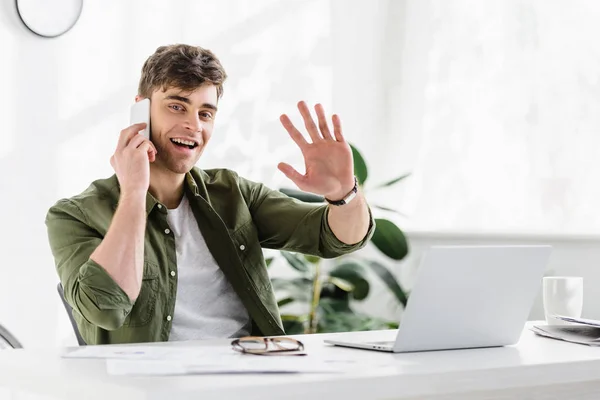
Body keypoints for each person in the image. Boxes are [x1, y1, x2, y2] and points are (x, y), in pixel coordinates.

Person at [45, 44, 374, 345]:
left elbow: (335, 237)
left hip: (250, 376)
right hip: (152, 386)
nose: (194, 126)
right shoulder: (74, 216)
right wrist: (134, 191)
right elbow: (104, 308)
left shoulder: (231, 193)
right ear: (140, 112)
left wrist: (342, 193)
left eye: (205, 113)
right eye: (177, 106)